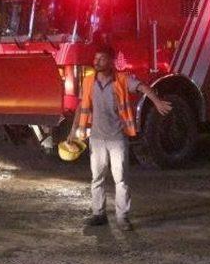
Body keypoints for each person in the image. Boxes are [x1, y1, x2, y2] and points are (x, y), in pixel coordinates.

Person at [68, 46, 172, 231]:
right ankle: (98, 214)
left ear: (111, 61)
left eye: (101, 58)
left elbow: (142, 87)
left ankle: (122, 217)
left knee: (121, 179)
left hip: (117, 138)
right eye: (96, 58)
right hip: (97, 138)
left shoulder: (122, 80)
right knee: (97, 177)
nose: (96, 61)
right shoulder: (89, 81)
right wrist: (73, 129)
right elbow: (80, 106)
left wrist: (156, 102)